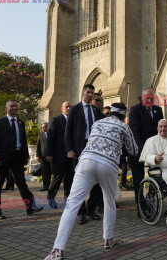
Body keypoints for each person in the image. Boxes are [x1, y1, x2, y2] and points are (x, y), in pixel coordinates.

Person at [44, 103, 137, 260]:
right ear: (123, 115)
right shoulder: (124, 127)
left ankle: (57, 250)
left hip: (87, 161)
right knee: (109, 203)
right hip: (108, 165)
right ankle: (108, 239)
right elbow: (134, 150)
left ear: (110, 113)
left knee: (72, 205)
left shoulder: (98, 122)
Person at [0, 99, 43, 219]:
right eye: (12, 106)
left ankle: (30, 207)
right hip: (1, 158)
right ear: (6, 108)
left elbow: (23, 141)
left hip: (17, 158)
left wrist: (26, 156)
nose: (14, 108)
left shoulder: (20, 123)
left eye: (16, 106)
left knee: (22, 184)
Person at [65, 84, 104, 224]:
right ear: (82, 93)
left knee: (96, 180)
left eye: (92, 93)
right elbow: (68, 131)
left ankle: (91, 209)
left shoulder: (96, 110)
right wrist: (69, 149)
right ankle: (81, 212)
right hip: (79, 149)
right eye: (88, 92)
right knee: (79, 181)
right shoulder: (75, 109)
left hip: (95, 149)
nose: (90, 95)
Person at [129, 88, 164, 205]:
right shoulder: (135, 110)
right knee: (138, 178)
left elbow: (160, 129)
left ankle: (150, 198)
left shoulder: (158, 110)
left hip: (154, 150)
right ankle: (141, 205)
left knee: (155, 175)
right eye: (147, 98)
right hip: (138, 149)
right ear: (142, 98)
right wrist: (143, 149)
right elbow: (135, 131)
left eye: (151, 98)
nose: (149, 100)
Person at [47, 101, 73, 208]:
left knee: (69, 178)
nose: (68, 108)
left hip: (71, 155)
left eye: (70, 107)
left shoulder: (74, 120)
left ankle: (67, 200)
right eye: (66, 107)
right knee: (58, 177)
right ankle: (51, 197)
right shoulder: (55, 120)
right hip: (58, 155)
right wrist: (49, 153)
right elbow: (50, 138)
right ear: (62, 108)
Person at [37, 122, 51, 191]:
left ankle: (52, 186)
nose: (42, 128)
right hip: (43, 156)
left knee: (52, 171)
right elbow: (38, 146)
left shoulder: (52, 133)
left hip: (51, 156)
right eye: (42, 127)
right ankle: (45, 186)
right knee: (45, 172)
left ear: (47, 127)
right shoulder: (40, 135)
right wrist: (38, 156)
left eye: (44, 127)